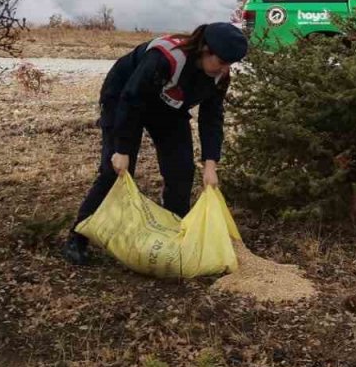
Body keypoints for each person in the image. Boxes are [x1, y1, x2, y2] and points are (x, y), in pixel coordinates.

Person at [62, 21, 248, 265]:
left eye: (229, 64)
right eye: (221, 62)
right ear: (204, 49)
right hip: (124, 98)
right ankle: (78, 237)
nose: (224, 69)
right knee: (114, 171)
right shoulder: (165, 58)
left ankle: (172, 235)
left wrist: (211, 163)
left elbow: (212, 118)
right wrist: (122, 148)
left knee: (181, 172)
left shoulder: (218, 77)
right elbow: (132, 98)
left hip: (168, 108)